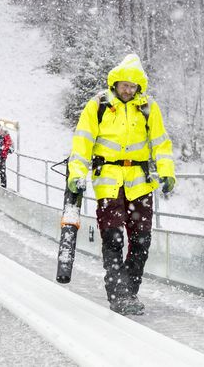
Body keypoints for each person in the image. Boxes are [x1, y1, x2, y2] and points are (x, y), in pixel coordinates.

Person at [67, 53, 176, 315]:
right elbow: (82, 141)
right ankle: (118, 293)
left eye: (133, 85)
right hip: (109, 182)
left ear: (139, 87)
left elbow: (161, 142)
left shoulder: (148, 108)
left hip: (140, 182)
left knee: (141, 240)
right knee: (114, 237)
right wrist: (76, 173)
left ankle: (128, 290)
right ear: (115, 84)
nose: (128, 90)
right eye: (124, 84)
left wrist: (167, 171)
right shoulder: (98, 105)